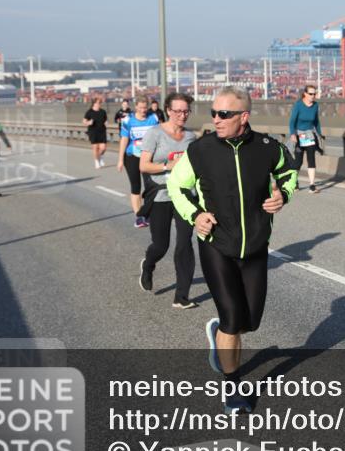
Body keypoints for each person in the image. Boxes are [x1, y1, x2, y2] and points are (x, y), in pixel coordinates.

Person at [167, 87, 298, 413]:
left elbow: (288, 173)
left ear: (244, 117)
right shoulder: (201, 150)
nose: (216, 119)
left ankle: (221, 333)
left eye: (224, 114)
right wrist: (196, 215)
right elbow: (176, 184)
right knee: (232, 318)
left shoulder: (268, 147)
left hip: (255, 245)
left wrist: (283, 194)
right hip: (217, 245)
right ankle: (233, 388)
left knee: (250, 322)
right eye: (213, 113)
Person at [139, 92, 198, 309]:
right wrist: (167, 167)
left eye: (186, 111)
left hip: (184, 194)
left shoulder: (191, 137)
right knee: (161, 244)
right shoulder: (154, 133)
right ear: (168, 110)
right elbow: (143, 165)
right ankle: (148, 263)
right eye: (178, 111)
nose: (182, 115)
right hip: (161, 194)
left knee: (185, 242)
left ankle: (181, 296)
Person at [116, 96, 159, 228]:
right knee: (136, 187)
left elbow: (160, 136)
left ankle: (148, 213)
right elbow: (124, 139)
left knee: (150, 186)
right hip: (132, 157)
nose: (143, 110)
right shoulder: (128, 120)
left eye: (145, 107)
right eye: (140, 108)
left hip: (148, 157)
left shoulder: (154, 118)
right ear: (136, 107)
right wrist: (120, 159)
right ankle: (139, 216)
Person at [289, 84, 323, 193]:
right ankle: (294, 182)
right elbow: (292, 121)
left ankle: (312, 185)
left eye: (314, 94)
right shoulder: (298, 105)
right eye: (311, 94)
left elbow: (316, 121)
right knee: (298, 162)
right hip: (299, 135)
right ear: (305, 94)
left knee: (311, 159)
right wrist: (293, 134)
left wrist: (319, 134)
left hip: (309, 135)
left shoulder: (315, 105)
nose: (313, 96)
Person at [82, 96, 109, 168]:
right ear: (93, 103)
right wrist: (88, 123)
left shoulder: (103, 111)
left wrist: (106, 123)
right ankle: (96, 161)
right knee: (95, 147)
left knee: (103, 148)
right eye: (97, 103)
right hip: (93, 131)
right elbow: (84, 121)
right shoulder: (89, 112)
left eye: (99, 103)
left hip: (102, 131)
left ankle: (100, 157)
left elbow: (105, 120)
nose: (98, 104)